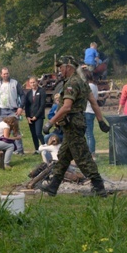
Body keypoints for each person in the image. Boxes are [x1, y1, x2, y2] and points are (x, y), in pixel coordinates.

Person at [40, 56, 111, 197]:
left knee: (82, 157)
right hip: (75, 124)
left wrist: (50, 122)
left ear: (69, 67)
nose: (60, 70)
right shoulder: (82, 82)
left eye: (62, 67)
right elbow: (94, 102)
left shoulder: (71, 83)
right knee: (64, 157)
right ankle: (53, 186)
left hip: (72, 125)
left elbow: (66, 107)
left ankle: (99, 188)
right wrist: (100, 121)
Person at [24, 76, 47, 154]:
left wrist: (36, 116)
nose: (32, 84)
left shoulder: (42, 91)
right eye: (31, 82)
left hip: (39, 116)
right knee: (33, 134)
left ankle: (44, 147)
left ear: (37, 82)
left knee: (38, 133)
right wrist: (27, 116)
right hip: (30, 116)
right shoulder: (28, 93)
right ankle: (37, 149)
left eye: (34, 82)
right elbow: (26, 106)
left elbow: (42, 105)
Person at [83, 70, 99, 159]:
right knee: (89, 133)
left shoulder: (88, 86)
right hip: (92, 111)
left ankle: (91, 153)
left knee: (89, 134)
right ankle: (91, 152)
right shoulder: (95, 86)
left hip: (87, 111)